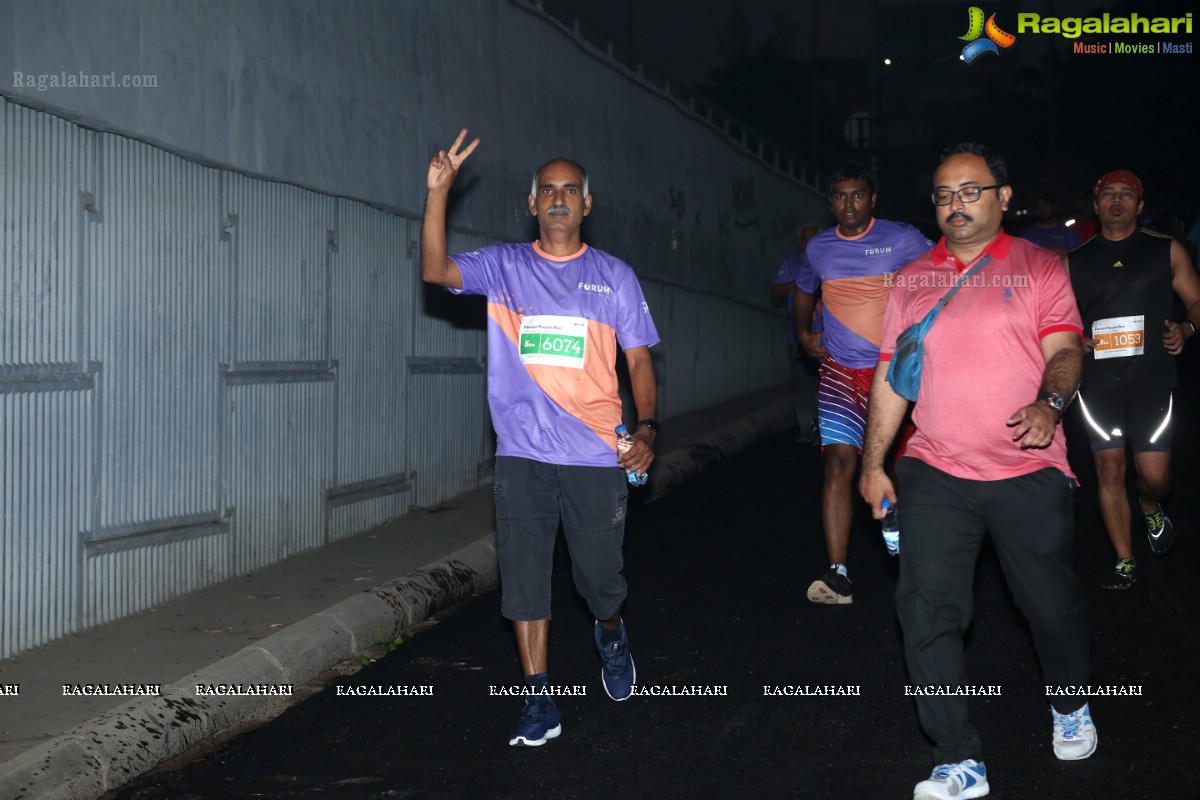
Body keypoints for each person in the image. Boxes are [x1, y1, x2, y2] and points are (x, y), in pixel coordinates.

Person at [860, 143, 1094, 799]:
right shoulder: (912, 279)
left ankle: (1071, 700)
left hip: (1027, 467)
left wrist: (1049, 406)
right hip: (936, 469)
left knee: (1049, 607)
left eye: (969, 190)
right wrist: (875, 463)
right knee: (924, 606)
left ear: (1003, 196)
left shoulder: (1038, 266)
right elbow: (891, 375)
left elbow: (1067, 350)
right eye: (942, 194)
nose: (954, 204)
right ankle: (957, 756)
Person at [421, 130, 660, 746]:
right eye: (547, 189)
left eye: (570, 190)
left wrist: (647, 428)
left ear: (587, 205)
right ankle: (538, 699)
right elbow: (435, 268)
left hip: (594, 452)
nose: (558, 198)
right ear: (532, 204)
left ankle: (611, 633)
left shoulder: (615, 278)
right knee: (525, 578)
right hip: (523, 453)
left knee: (599, 582)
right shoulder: (502, 267)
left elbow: (638, 363)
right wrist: (439, 193)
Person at [791, 162, 933, 604]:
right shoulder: (819, 248)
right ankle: (837, 575)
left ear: (872, 200)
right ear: (830, 202)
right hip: (838, 370)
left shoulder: (903, 238)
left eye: (857, 195)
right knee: (837, 463)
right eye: (839, 196)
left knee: (903, 466)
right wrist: (803, 334)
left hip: (893, 373)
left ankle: (918, 555)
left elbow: (943, 271)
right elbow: (802, 290)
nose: (848, 204)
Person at [1066, 170, 1200, 589]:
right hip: (1098, 384)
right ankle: (1125, 559)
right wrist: (1074, 339)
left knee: (1156, 476)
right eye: (1109, 194)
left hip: (1153, 380)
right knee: (1109, 467)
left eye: (1127, 195)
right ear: (1096, 203)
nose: (1117, 201)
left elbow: (1196, 300)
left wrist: (1187, 329)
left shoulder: (1165, 250)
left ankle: (1148, 504)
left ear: (1140, 206)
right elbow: (1055, 320)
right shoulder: (1075, 260)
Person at [770, 223, 821, 442]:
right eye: (805, 238)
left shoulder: (827, 259)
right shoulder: (791, 262)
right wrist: (800, 282)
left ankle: (825, 429)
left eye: (813, 238)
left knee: (825, 383)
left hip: (827, 334)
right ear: (799, 241)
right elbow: (775, 291)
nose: (809, 243)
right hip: (798, 335)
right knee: (801, 383)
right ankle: (805, 427)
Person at [1019, 192, 1080, 258]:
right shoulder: (1027, 234)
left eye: (1045, 205)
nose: (1042, 209)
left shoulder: (1069, 233)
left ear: (1054, 207)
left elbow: (1076, 259)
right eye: (1038, 206)